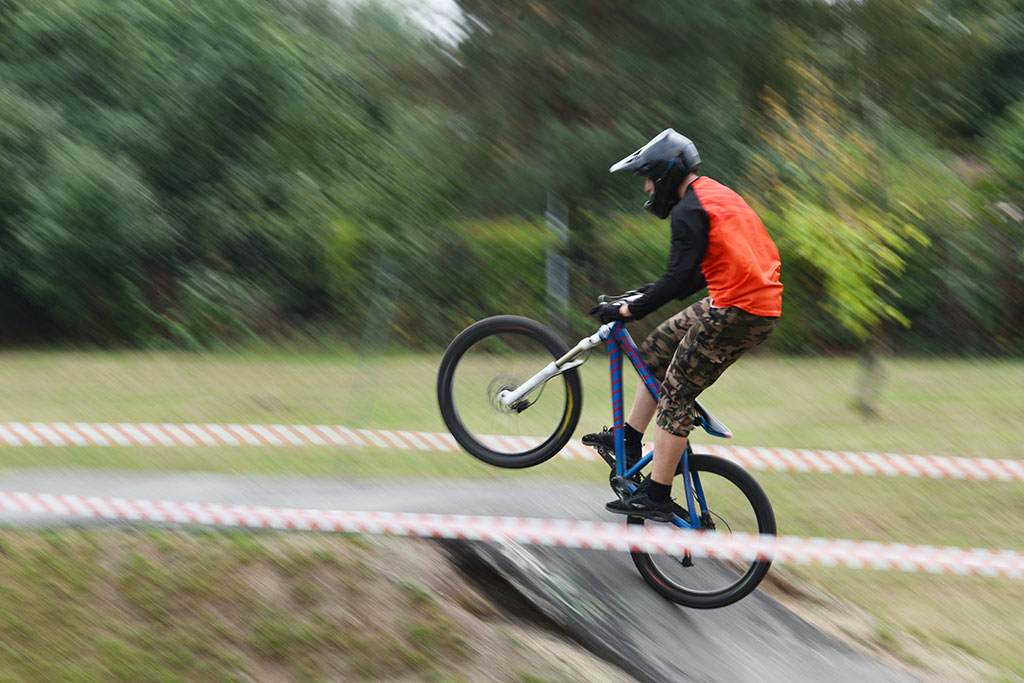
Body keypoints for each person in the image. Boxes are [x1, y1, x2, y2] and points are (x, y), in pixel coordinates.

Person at [585, 129, 782, 522]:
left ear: (664, 174)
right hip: (741, 300)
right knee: (658, 347)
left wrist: (627, 312)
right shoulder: (712, 194)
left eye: (648, 177)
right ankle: (628, 439)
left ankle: (656, 495)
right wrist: (640, 295)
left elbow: (676, 281)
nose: (646, 185)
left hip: (739, 310)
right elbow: (691, 277)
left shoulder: (690, 211)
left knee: (676, 394)